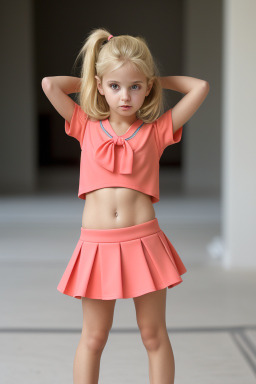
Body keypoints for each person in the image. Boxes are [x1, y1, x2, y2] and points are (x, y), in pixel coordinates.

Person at [42, 27, 210, 384]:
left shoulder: (156, 131)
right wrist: (99, 75)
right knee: (93, 337)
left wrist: (149, 76)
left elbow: (200, 88)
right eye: (115, 86)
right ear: (100, 86)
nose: (125, 96)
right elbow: (49, 85)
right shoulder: (85, 126)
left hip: (144, 244)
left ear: (147, 87)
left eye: (135, 86)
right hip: (97, 246)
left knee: (153, 335)